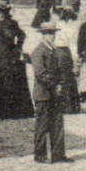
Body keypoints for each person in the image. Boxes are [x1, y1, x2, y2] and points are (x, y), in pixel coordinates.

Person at [0, 1, 33, 119]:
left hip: (4, 56)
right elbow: (21, 36)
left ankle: (1, 111)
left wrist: (15, 48)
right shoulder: (0, 23)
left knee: (1, 80)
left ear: (1, 14)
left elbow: (18, 36)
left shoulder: (7, 24)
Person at [29, 21, 69, 163]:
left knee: (57, 124)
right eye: (48, 33)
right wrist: (55, 85)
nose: (51, 36)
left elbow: (59, 70)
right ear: (42, 35)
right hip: (43, 94)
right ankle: (40, 155)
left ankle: (58, 154)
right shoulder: (38, 51)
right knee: (42, 125)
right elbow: (41, 73)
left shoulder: (53, 50)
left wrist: (60, 84)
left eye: (52, 33)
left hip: (54, 93)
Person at [52, 7, 82, 114]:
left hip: (62, 52)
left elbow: (71, 44)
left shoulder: (61, 26)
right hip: (64, 53)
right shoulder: (70, 26)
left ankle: (65, 106)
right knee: (67, 78)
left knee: (63, 78)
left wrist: (75, 59)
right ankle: (72, 106)